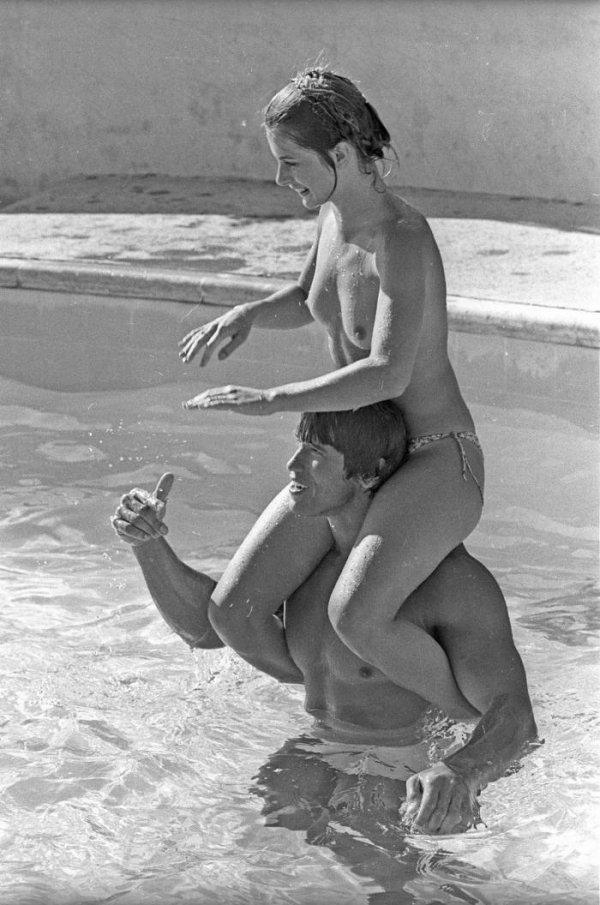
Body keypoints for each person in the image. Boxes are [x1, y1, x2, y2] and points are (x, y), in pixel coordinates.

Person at [176, 66, 486, 714]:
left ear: (340, 155)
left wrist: (273, 400)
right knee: (235, 612)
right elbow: (309, 294)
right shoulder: (333, 218)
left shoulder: (402, 239)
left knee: (359, 616)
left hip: (429, 455)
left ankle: (468, 726)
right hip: (352, 456)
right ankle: (350, 696)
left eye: (291, 163)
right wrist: (251, 314)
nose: (282, 180)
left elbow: (389, 371)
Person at [111, 402, 537, 837]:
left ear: (369, 473)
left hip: (405, 760)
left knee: (377, 871)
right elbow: (205, 629)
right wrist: (147, 544)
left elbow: (515, 717)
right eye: (299, 446)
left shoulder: (448, 581)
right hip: (317, 743)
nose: (291, 464)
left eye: (314, 452)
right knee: (248, 846)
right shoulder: (304, 571)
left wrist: (460, 771)